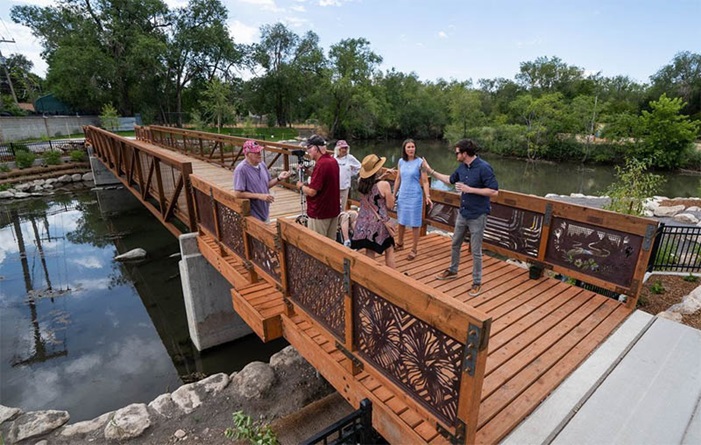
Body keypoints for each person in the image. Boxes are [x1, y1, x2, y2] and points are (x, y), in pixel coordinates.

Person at [424, 138, 499, 297]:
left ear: (465, 153)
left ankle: (477, 282)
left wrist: (469, 189)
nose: (455, 155)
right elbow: (449, 180)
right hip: (463, 213)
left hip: (478, 215)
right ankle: (453, 270)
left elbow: (494, 192)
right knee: (455, 243)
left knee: (476, 251)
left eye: (457, 152)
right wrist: (430, 171)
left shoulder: (484, 168)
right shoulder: (462, 167)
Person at [351, 154, 396, 268]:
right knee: (389, 249)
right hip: (379, 224)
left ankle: (370, 275)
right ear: (378, 169)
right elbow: (390, 206)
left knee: (370, 251)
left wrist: (383, 176)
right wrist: (393, 196)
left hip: (364, 222)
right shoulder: (384, 185)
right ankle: (393, 278)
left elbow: (372, 184)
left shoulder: (360, 182)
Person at [233, 140, 291, 222]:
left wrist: (279, 178)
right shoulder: (241, 169)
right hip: (252, 215)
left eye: (260, 151)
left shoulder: (262, 164)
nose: (260, 154)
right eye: (256, 152)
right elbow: (237, 193)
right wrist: (260, 196)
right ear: (247, 154)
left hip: (264, 212)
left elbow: (266, 185)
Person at [394, 139, 432, 261]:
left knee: (415, 223)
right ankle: (400, 243)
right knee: (401, 221)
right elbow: (398, 178)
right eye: (408, 147)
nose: (411, 149)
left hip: (415, 195)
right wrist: (394, 193)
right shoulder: (401, 161)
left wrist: (428, 196)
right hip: (403, 194)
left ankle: (414, 249)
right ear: (404, 149)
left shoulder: (420, 162)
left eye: (413, 147)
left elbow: (425, 181)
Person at [296, 135, 340, 239]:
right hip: (332, 210)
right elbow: (323, 180)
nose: (308, 151)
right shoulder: (332, 161)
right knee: (331, 245)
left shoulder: (321, 164)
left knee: (318, 245)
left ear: (316, 148)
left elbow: (312, 192)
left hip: (320, 213)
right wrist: (308, 172)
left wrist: (301, 186)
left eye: (309, 148)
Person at [334, 139, 361, 212]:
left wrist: (350, 173)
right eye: (343, 148)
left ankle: (341, 221)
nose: (344, 150)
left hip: (345, 186)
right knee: (333, 205)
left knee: (342, 207)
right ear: (338, 149)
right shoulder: (333, 158)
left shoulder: (350, 158)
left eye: (346, 148)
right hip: (334, 186)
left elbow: (359, 167)